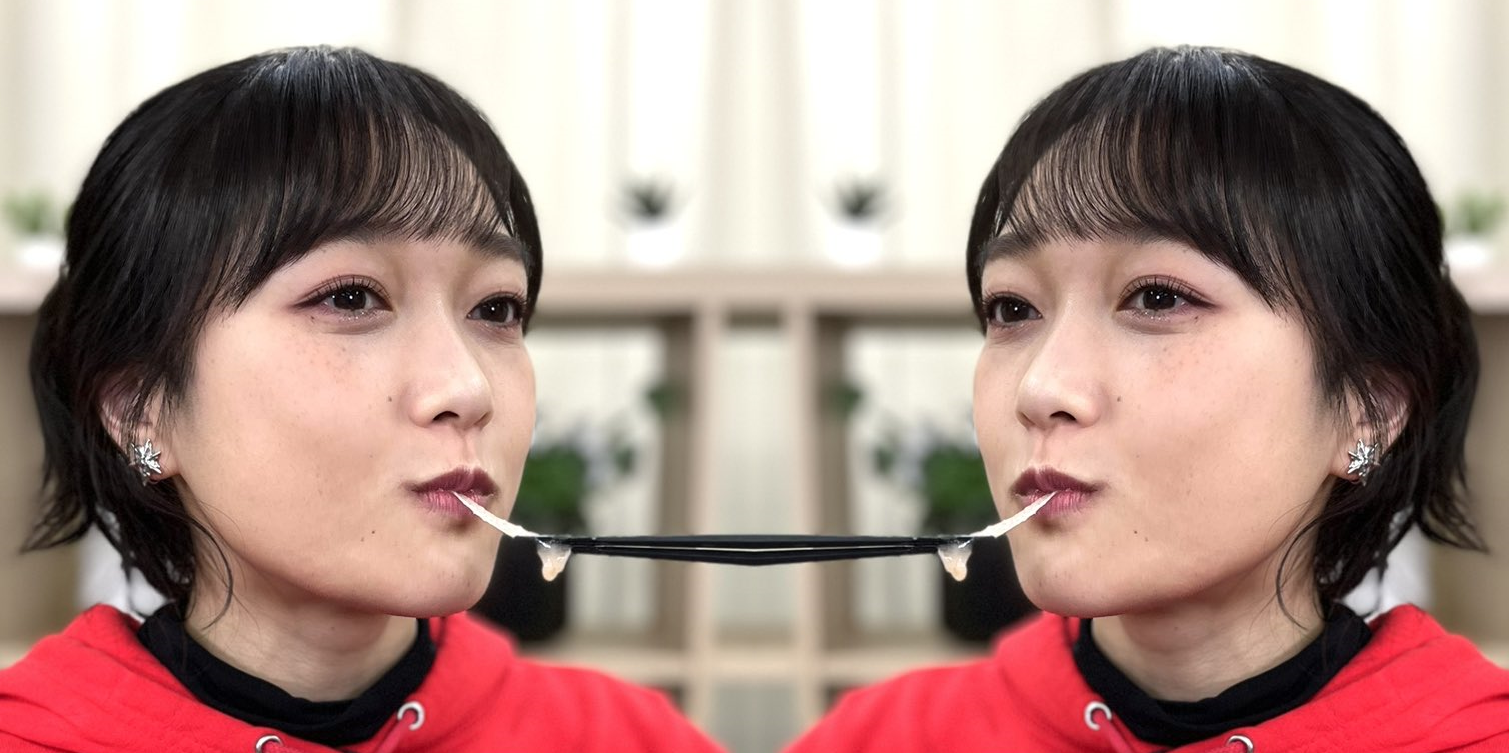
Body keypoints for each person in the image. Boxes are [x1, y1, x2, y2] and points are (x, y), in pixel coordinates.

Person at [0, 46, 718, 753]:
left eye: (497, 309)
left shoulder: (624, 738)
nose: (467, 389)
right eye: (350, 298)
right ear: (140, 409)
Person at [790, 46, 1507, 752]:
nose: (1041, 389)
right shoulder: (884, 738)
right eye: (1011, 308)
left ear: (1368, 409)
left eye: (1158, 297)